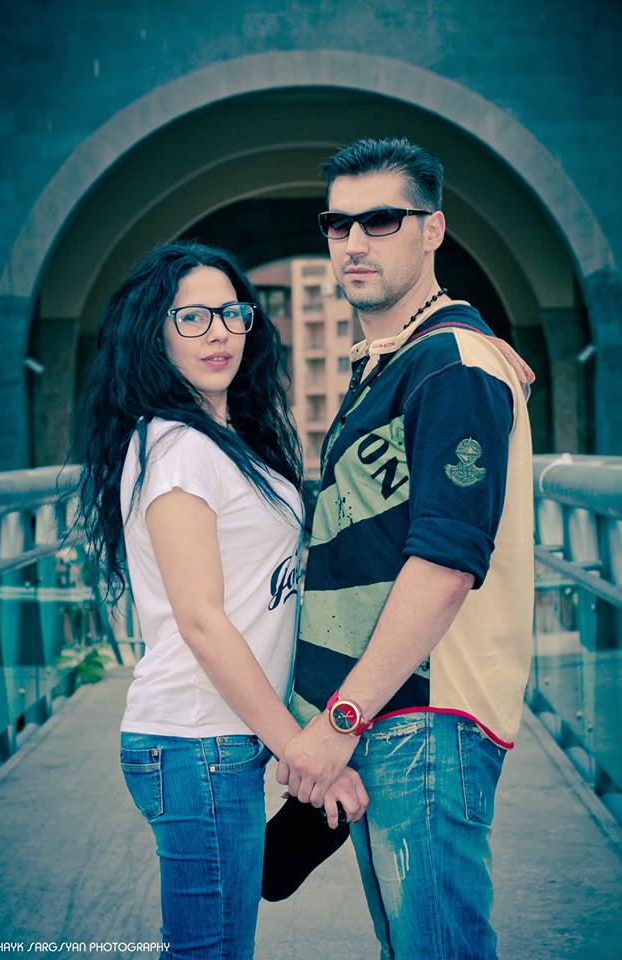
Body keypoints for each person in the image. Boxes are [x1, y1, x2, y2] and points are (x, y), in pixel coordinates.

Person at [279, 138, 535, 960]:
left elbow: (446, 565)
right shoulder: (402, 362)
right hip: (386, 713)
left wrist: (340, 720)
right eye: (339, 224)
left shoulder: (454, 365)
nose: (355, 242)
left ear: (432, 230)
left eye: (382, 220)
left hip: (424, 715)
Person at [76, 241, 368, 960]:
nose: (219, 333)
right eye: (193, 318)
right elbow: (203, 622)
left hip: (217, 739)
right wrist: (299, 747)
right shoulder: (178, 449)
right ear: (155, 334)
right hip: (195, 740)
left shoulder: (224, 439)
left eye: (232, 313)